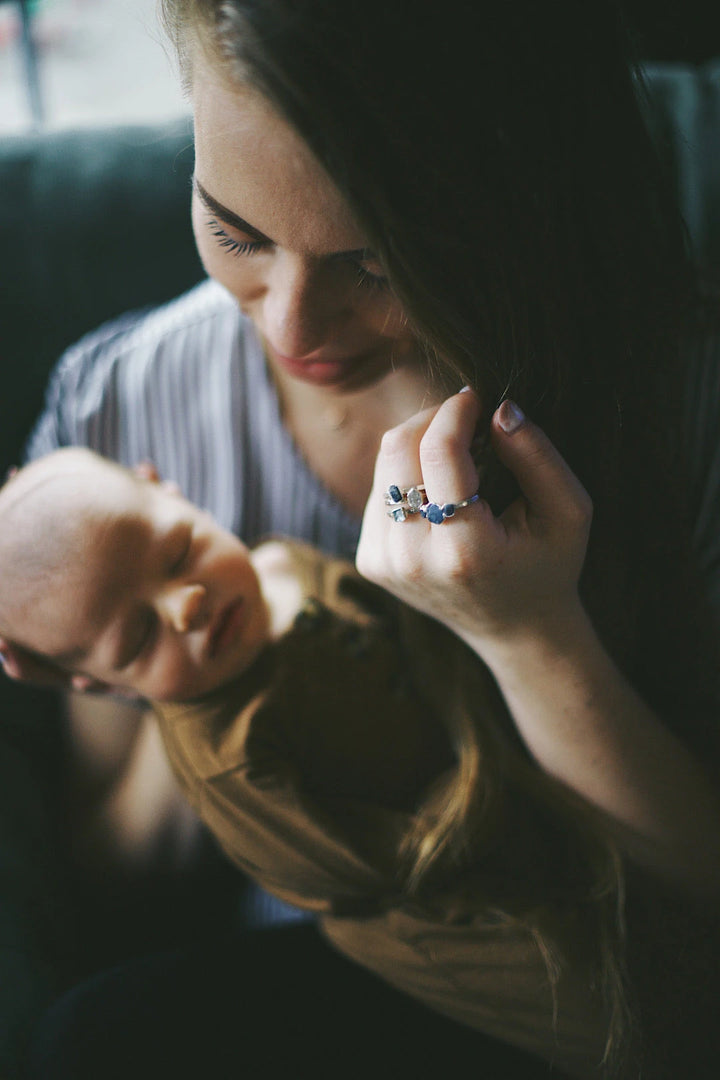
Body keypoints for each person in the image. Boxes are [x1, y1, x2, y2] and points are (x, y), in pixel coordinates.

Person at [1, 1, 719, 1077]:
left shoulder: (674, 403)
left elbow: (697, 895)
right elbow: (118, 893)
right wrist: (139, 671)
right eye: (234, 232)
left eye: (373, 263)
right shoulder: (118, 406)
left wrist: (531, 637)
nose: (289, 327)